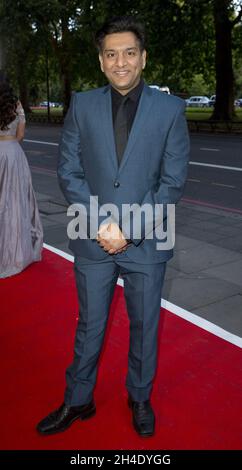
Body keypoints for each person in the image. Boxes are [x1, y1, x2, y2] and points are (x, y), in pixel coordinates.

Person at [37, 16, 190, 437]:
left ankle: (139, 397)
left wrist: (130, 230)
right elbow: (68, 170)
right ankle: (78, 399)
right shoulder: (82, 104)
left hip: (147, 240)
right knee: (90, 324)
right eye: (110, 54)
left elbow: (172, 181)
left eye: (128, 52)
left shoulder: (171, 109)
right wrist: (102, 224)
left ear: (143, 56)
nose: (120, 61)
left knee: (145, 325)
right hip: (92, 237)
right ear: (101, 61)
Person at [0, 72, 43, 278]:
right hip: (14, 154)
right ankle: (17, 249)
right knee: (16, 202)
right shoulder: (15, 104)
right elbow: (21, 135)